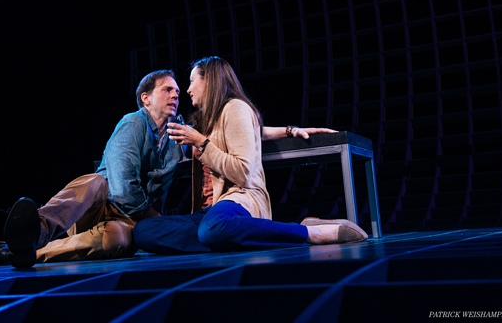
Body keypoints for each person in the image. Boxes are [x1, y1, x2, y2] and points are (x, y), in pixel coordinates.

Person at [0, 69, 334, 268]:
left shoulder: (176, 137)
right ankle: (39, 229)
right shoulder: (132, 123)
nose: (178, 95)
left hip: (129, 216)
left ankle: (22, 254)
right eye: (168, 90)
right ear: (146, 98)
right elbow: (123, 187)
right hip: (103, 200)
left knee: (120, 241)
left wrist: (287, 130)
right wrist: (154, 216)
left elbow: (235, 130)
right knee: (94, 182)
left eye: (181, 88)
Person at [133, 56, 368, 254]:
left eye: (192, 81)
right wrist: (287, 130)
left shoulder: (235, 107)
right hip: (209, 213)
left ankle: (310, 232)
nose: (187, 89)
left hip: (238, 200)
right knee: (143, 231)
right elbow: (252, 131)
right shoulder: (209, 120)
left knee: (213, 229)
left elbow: (242, 173)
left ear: (210, 81)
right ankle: (232, 237)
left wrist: (200, 143)